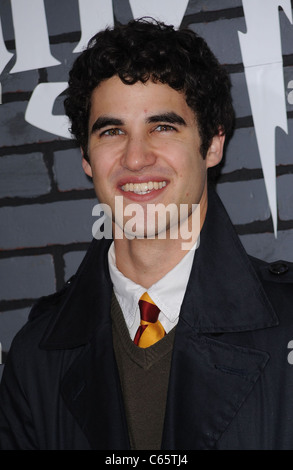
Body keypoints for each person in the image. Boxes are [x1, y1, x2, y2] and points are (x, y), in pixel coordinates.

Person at [0, 18, 293, 451]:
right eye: (112, 131)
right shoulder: (35, 355)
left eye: (163, 127)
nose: (136, 158)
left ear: (213, 144)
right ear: (86, 157)